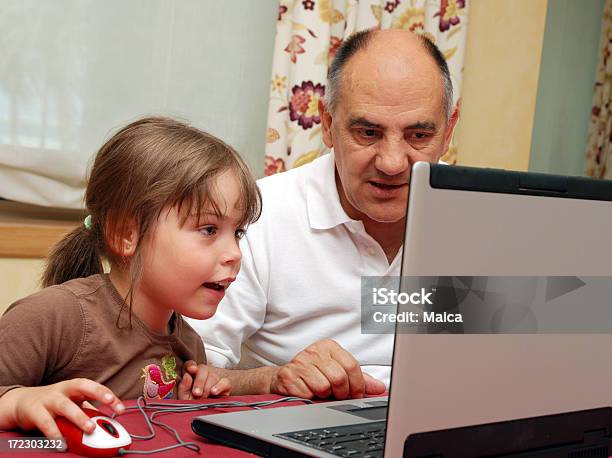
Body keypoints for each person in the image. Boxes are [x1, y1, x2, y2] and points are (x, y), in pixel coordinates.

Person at [188, 29, 459, 399]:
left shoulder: (483, 217)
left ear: (448, 131)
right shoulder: (256, 219)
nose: (393, 163)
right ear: (328, 126)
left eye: (418, 136)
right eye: (367, 132)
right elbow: (190, 376)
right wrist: (274, 379)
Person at [0, 117, 261, 438]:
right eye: (208, 229)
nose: (234, 253)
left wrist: (186, 405)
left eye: (237, 232)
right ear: (126, 234)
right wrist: (18, 401)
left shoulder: (189, 345)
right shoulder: (52, 316)